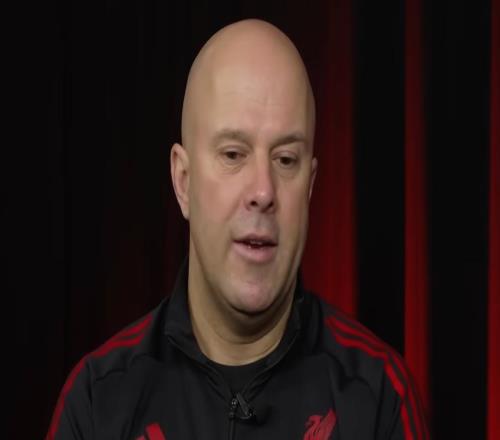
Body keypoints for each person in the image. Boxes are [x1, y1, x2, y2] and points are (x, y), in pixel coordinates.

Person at [47, 19, 428, 440]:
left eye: (286, 159)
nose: (263, 191)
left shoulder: (378, 397)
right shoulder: (98, 401)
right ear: (183, 181)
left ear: (310, 187)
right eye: (233, 154)